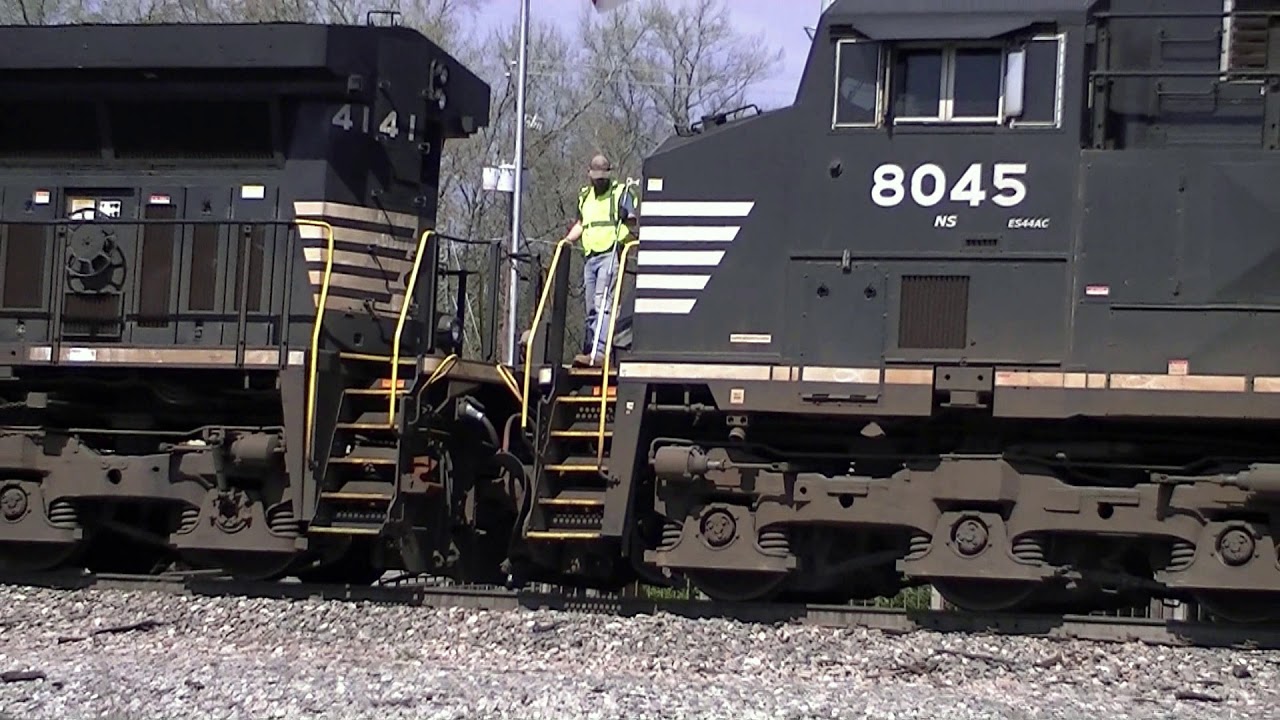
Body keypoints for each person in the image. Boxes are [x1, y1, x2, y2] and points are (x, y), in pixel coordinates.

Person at [559, 153, 637, 367]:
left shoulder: (621, 193)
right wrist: (566, 241)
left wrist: (626, 215)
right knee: (591, 306)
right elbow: (581, 224)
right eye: (596, 177)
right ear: (589, 175)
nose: (599, 180)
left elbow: (632, 219)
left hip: (610, 255)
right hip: (590, 257)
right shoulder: (585, 197)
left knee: (603, 304)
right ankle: (591, 347)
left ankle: (600, 352)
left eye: (603, 177)